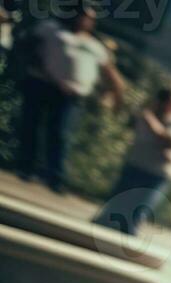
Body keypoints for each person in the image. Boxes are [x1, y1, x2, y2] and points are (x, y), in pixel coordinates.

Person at [15, 4, 125, 192]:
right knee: (31, 125)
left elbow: (110, 72)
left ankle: (55, 177)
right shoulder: (51, 29)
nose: (84, 20)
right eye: (82, 16)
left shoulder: (95, 45)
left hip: (71, 95)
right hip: (42, 84)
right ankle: (26, 167)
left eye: (89, 18)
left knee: (60, 133)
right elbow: (28, 48)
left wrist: (116, 96)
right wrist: (47, 74)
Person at [93, 87, 171, 237]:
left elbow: (169, 141)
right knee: (113, 207)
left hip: (157, 174)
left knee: (136, 213)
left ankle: (123, 247)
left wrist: (149, 118)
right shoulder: (142, 116)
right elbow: (122, 116)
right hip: (135, 166)